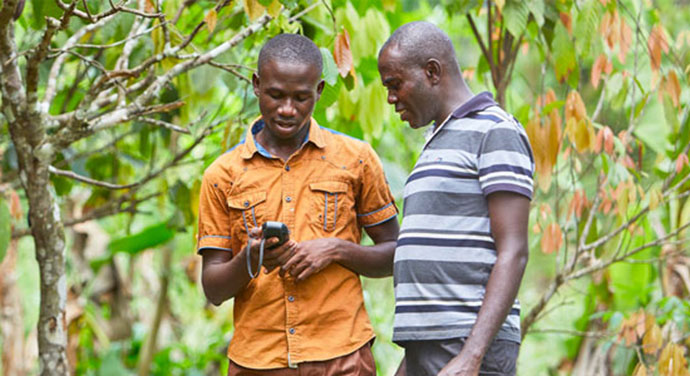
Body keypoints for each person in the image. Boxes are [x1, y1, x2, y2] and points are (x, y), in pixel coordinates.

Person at [196, 33, 399, 375]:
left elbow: (396, 253)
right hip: (258, 362)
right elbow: (213, 288)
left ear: (319, 91)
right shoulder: (222, 175)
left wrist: (335, 250)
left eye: (301, 98)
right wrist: (251, 257)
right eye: (275, 95)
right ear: (257, 85)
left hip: (342, 358)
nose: (287, 109)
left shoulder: (356, 160)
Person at [377, 22, 534, 376]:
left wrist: (472, 355)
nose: (390, 98)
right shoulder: (437, 139)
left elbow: (514, 251)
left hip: (466, 345)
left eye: (395, 84)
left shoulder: (496, 130)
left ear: (432, 71)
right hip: (430, 347)